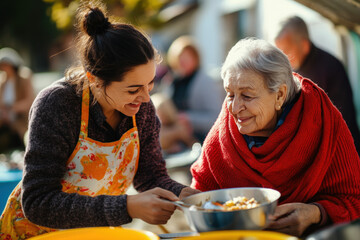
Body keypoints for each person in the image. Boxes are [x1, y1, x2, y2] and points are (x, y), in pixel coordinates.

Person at [0, 2, 199, 239]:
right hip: (35, 234)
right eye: (133, 89)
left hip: (94, 232)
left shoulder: (141, 109)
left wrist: (187, 196)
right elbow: (37, 202)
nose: (146, 98)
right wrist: (126, 207)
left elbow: (151, 177)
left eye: (150, 84)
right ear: (94, 79)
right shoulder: (58, 104)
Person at [190, 38, 360, 237]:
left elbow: (354, 199)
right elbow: (202, 198)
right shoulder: (223, 130)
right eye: (230, 94)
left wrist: (316, 213)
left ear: (280, 95)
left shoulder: (322, 122)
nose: (235, 108)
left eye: (247, 96)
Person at [274, 15, 360, 154]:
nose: (285, 59)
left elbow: (343, 123)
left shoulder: (331, 67)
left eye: (287, 51)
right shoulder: (289, 72)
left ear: (304, 45)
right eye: (280, 53)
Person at [165, 35, 224, 143]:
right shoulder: (174, 81)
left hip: (199, 137)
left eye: (187, 57)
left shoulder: (206, 82)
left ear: (196, 58)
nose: (183, 61)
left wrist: (188, 118)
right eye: (180, 57)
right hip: (177, 133)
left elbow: (216, 118)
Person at [0, 47, 35, 153]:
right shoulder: (2, 81)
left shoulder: (24, 77)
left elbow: (30, 101)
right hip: (5, 121)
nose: (4, 68)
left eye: (6, 65)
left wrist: (12, 109)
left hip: (21, 120)